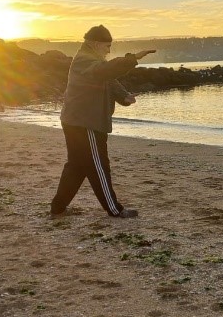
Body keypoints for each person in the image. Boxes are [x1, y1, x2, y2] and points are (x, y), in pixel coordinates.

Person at [50, 25, 155, 218]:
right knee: (98, 165)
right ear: (96, 43)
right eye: (107, 46)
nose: (109, 50)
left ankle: (57, 207)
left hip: (76, 121)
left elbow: (107, 78)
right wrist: (132, 59)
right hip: (85, 124)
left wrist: (124, 97)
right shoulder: (84, 60)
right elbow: (104, 71)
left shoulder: (90, 60)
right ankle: (114, 209)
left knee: (77, 166)